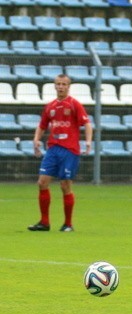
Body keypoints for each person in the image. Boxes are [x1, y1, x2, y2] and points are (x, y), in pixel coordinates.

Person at [27, 74, 92, 232]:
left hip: (69, 150)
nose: (61, 86)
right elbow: (42, 125)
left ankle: (68, 224)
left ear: (68, 87)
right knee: (42, 183)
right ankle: (44, 222)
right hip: (53, 149)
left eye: (64, 84)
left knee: (65, 185)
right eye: (58, 84)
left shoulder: (74, 104)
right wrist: (36, 140)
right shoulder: (50, 106)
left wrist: (88, 141)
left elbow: (87, 124)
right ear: (54, 86)